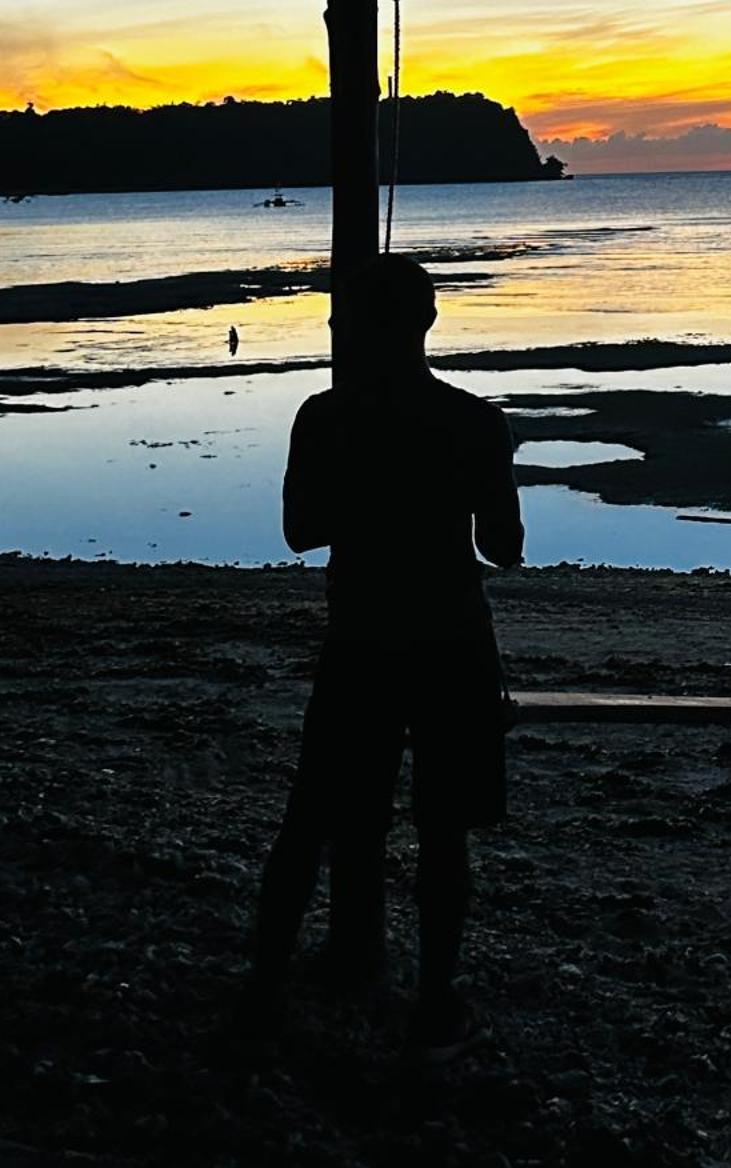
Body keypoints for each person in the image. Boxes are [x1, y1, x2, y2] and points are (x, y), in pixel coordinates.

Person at [249, 253, 523, 1043]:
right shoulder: (474, 421)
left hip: (361, 633)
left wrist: (365, 502)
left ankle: (266, 981)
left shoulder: (323, 417)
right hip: (451, 635)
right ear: (427, 324)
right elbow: (503, 547)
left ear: (353, 327)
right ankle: (434, 993)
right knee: (442, 827)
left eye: (340, 319)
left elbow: (301, 531)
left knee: (318, 814)